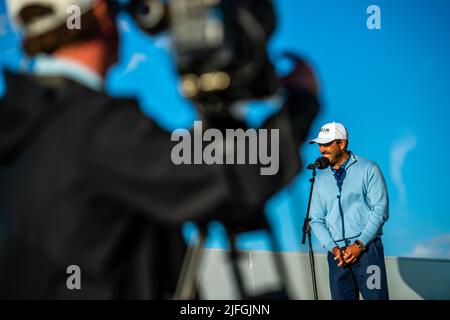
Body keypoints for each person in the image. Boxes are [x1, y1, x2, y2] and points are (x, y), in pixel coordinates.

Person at [0, 0, 318, 298]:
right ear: (100, 12)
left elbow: (175, 169)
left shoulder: (22, 123)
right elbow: (235, 175)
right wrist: (299, 106)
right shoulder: (93, 126)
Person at [308, 122, 389, 300]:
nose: (322, 149)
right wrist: (333, 248)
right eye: (320, 145)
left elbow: (380, 209)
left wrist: (359, 245)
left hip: (368, 252)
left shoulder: (369, 168)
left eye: (327, 144)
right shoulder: (319, 180)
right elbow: (315, 219)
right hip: (338, 258)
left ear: (342, 143)